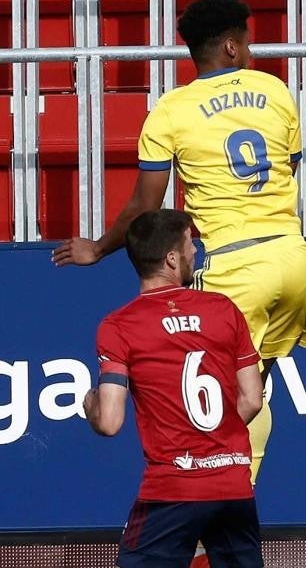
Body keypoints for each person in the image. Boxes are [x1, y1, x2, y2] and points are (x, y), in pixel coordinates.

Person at [54, 0, 306, 486]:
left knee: (204, 409)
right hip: (293, 255)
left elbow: (144, 207)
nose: (253, 51)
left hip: (231, 267)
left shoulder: (171, 110)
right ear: (233, 47)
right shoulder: (276, 91)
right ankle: (231, 510)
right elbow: (289, 168)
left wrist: (98, 247)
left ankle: (211, 522)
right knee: (254, 390)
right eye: (250, 42)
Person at [84, 209, 264, 568]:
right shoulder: (223, 309)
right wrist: (212, 445)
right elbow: (252, 398)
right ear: (170, 258)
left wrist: (89, 403)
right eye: (188, 244)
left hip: (173, 489)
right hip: (233, 485)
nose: (195, 251)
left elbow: (109, 421)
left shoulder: (119, 325)